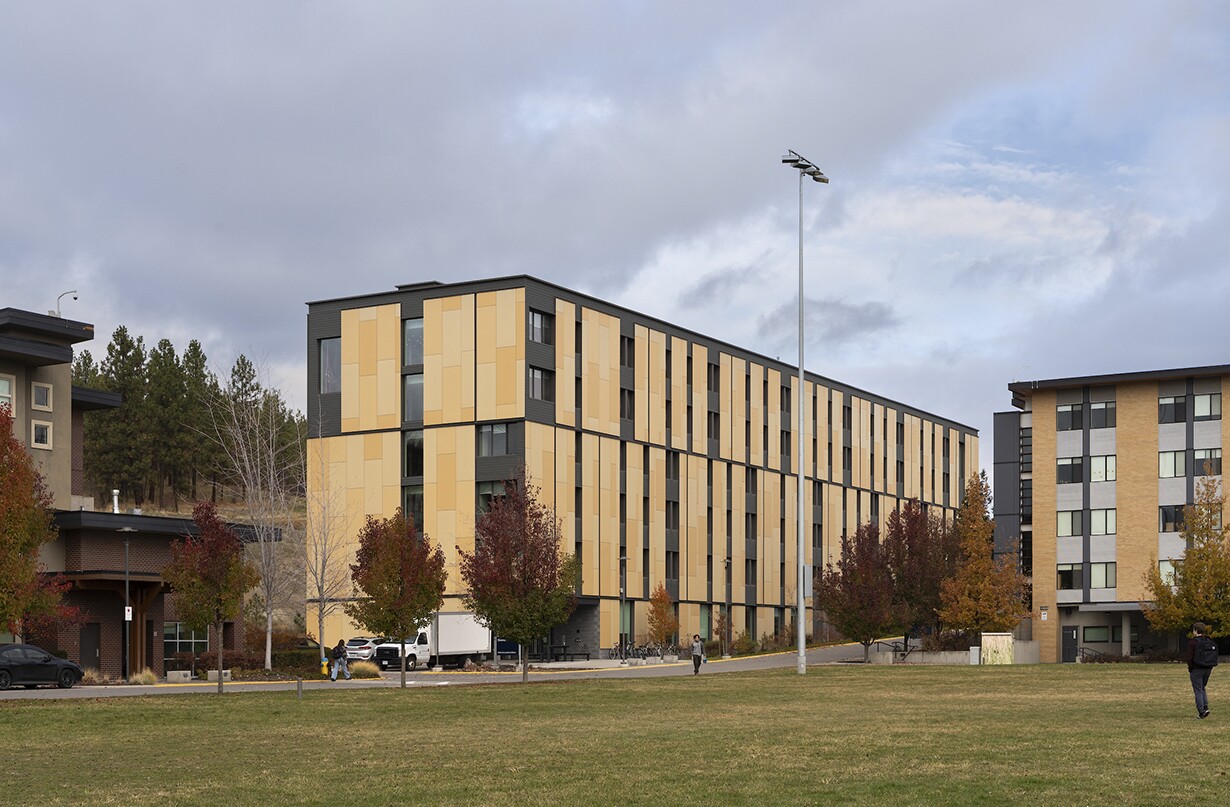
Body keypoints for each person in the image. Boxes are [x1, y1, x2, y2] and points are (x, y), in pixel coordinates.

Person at [1186, 621, 1216, 719]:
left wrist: (1190, 668)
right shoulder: (1208, 641)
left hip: (1197, 668)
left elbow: (1190, 658)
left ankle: (1201, 711)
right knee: (1202, 687)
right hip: (1208, 668)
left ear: (1195, 631)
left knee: (1198, 690)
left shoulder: (1193, 643)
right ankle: (1205, 706)